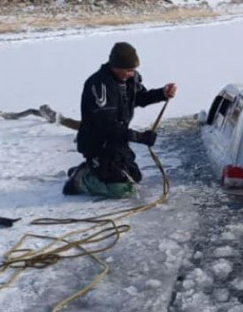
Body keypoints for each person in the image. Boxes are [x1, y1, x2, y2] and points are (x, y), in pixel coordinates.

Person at [63, 42, 177, 198]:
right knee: (120, 189)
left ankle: (92, 168)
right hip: (98, 143)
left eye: (133, 70)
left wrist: (162, 94)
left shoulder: (130, 79)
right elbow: (108, 126)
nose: (131, 73)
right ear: (114, 66)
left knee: (134, 178)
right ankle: (81, 180)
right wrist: (139, 137)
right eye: (127, 70)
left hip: (118, 142)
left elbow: (138, 98)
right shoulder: (99, 85)